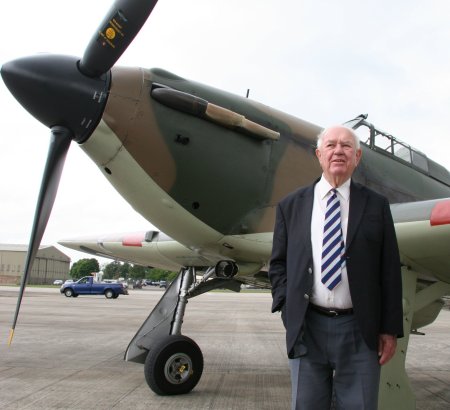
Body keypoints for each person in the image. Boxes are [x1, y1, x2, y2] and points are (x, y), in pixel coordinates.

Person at [269, 125, 403, 409]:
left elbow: (389, 270)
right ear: (319, 155)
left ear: (357, 156)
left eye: (346, 146)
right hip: (308, 326)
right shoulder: (290, 206)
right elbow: (278, 264)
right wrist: (286, 307)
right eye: (331, 145)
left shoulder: (377, 206)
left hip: (360, 329)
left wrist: (389, 329)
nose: (338, 151)